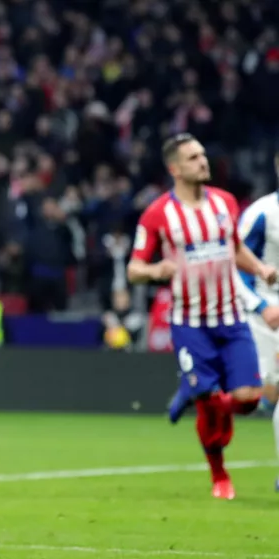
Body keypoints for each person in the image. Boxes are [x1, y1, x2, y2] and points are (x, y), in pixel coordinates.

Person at [127, 133, 277, 501]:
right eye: (194, 158)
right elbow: (134, 269)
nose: (203, 161)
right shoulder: (158, 213)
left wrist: (260, 269)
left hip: (231, 317)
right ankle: (219, 475)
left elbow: (235, 249)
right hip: (190, 323)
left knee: (248, 399)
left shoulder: (225, 203)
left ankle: (193, 393)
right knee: (211, 402)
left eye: (203, 155)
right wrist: (155, 270)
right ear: (174, 168)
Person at [235, 153, 279, 490]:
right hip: (269, 318)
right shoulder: (261, 213)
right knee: (268, 393)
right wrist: (261, 305)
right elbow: (234, 265)